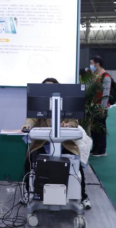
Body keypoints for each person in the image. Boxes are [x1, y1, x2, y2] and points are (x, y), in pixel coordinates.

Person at [22, 77, 91, 209]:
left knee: (76, 165)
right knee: (30, 160)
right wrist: (27, 125)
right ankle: (27, 192)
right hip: (43, 144)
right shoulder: (39, 103)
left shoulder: (66, 104)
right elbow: (31, 119)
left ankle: (83, 196)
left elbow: (74, 122)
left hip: (65, 143)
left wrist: (68, 125)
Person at [89, 55, 111, 157]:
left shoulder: (105, 76)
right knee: (94, 129)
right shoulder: (95, 75)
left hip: (101, 107)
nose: (90, 65)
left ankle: (102, 150)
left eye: (91, 63)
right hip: (93, 107)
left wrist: (102, 108)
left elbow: (106, 94)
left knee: (101, 129)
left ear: (97, 64)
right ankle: (95, 147)